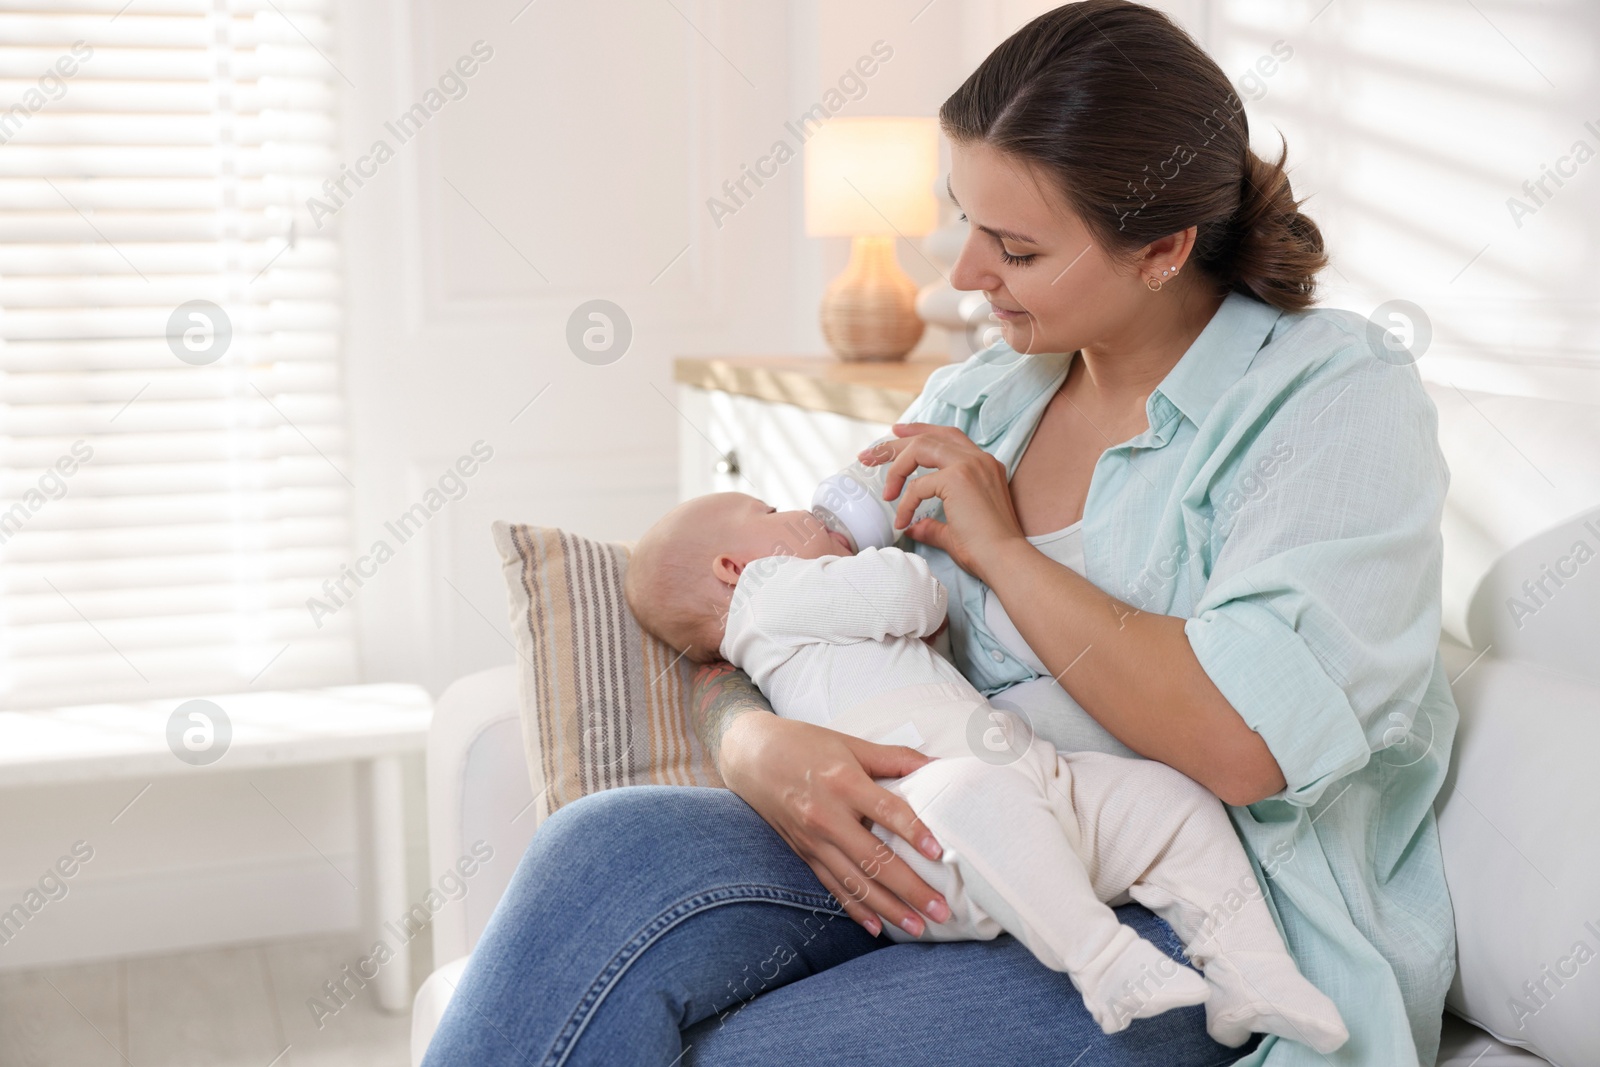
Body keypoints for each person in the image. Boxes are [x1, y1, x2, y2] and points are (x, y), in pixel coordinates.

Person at [423, 2, 1457, 1064]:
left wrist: (1001, 551)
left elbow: (1242, 746)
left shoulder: (1328, 397)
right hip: (936, 822)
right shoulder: (981, 398)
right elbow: (758, 595)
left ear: (1161, 249)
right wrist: (753, 740)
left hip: (1180, 892)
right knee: (596, 853)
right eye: (962, 219)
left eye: (1012, 245)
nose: (964, 274)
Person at [620, 491, 1350, 1050]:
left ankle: (1254, 975)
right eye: (770, 509)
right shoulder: (773, 592)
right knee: (971, 789)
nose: (797, 509)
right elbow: (912, 593)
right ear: (734, 569)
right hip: (928, 835)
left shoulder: (786, 604)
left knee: (1170, 798)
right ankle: (1103, 961)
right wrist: (864, 557)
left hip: (1030, 790)